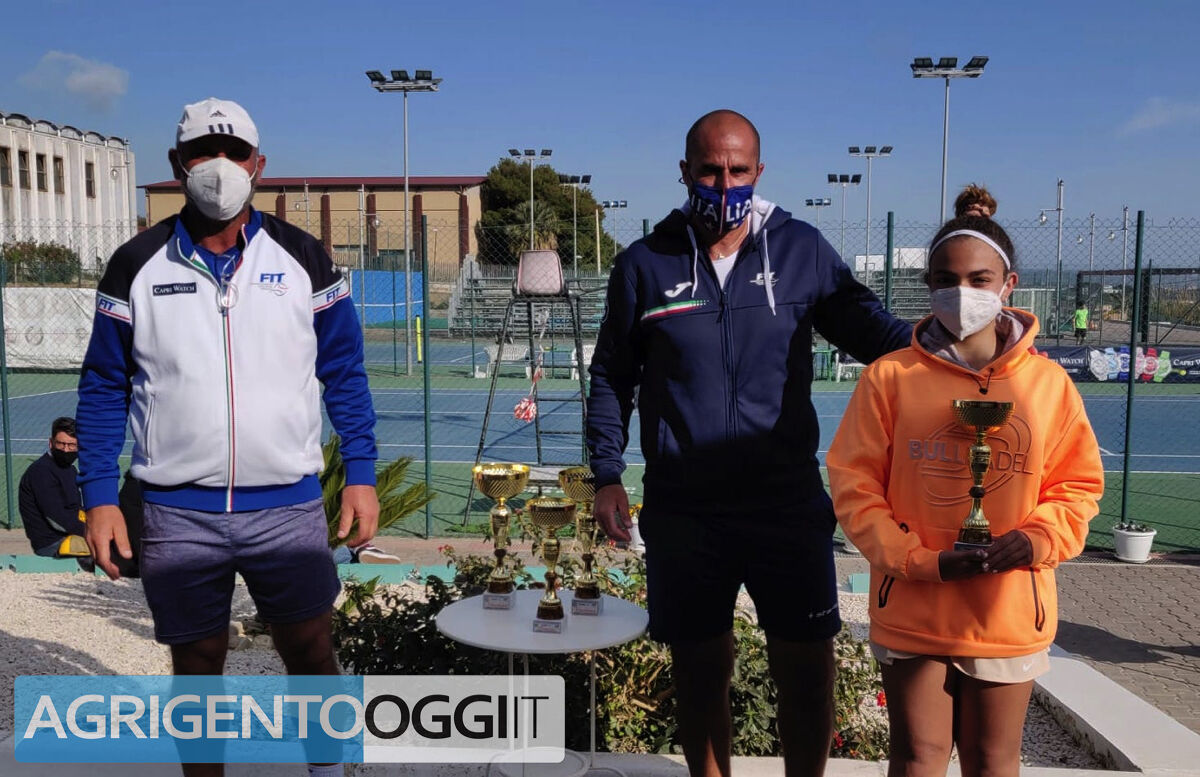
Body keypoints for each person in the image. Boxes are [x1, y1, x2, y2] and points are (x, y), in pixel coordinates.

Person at [587, 109, 911, 777]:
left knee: (808, 671)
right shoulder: (645, 264)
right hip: (685, 509)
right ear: (685, 171)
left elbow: (875, 333)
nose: (725, 184)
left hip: (784, 503)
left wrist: (956, 340)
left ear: (759, 171)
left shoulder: (801, 251)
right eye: (710, 170)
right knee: (700, 673)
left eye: (738, 170)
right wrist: (607, 473)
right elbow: (612, 376)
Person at [76, 98, 378, 777]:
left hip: (288, 504)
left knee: (310, 651)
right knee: (197, 662)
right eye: (202, 152)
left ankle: (326, 770)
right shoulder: (136, 264)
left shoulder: (303, 257)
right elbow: (103, 385)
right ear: (177, 164)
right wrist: (98, 495)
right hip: (177, 510)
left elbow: (344, 372)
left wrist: (360, 471)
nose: (220, 165)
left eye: (234, 152)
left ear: (258, 164)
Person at [826, 209, 1103, 777]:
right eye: (946, 280)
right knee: (916, 757)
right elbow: (854, 485)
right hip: (913, 601)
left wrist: (1037, 540)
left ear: (1008, 285)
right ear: (928, 286)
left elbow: (1077, 485)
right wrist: (917, 560)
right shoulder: (889, 377)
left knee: (992, 760)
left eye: (979, 279)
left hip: (1006, 609)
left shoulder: (1047, 384)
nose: (962, 293)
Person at [18, 416, 89, 558]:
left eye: (71, 445)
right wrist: (92, 532)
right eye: (61, 444)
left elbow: (75, 509)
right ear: (51, 443)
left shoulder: (69, 469)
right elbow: (57, 519)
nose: (66, 450)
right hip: (51, 543)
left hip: (70, 535)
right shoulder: (41, 472)